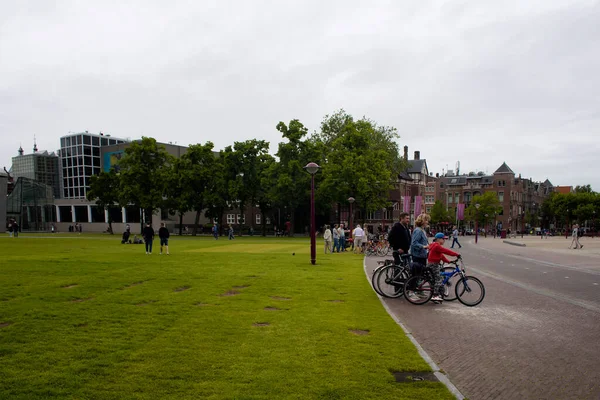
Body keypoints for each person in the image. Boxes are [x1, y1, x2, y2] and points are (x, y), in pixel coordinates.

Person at [427, 232, 461, 302]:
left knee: (439, 277)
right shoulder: (437, 246)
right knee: (438, 279)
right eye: (443, 239)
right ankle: (435, 295)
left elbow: (441, 255)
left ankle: (438, 293)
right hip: (433, 264)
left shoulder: (434, 245)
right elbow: (446, 251)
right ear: (438, 239)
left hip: (433, 264)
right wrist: (456, 254)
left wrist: (448, 261)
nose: (444, 240)